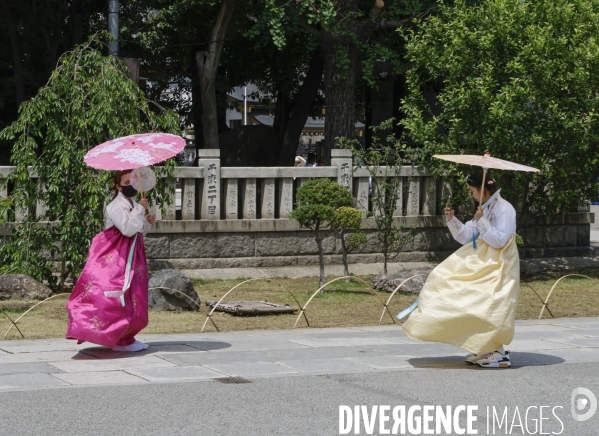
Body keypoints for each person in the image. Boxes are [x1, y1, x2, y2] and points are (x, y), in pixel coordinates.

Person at [402, 169, 519, 368]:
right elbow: (467, 235)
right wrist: (451, 219)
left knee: (488, 302)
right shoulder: (487, 208)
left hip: (498, 263)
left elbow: (500, 240)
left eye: (473, 191)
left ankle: (498, 352)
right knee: (448, 281)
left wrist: (482, 220)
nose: (472, 195)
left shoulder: (504, 208)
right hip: (482, 260)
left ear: (482, 189)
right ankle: (486, 347)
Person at [66, 170, 156, 352]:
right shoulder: (116, 205)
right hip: (117, 258)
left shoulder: (130, 203)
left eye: (133, 181)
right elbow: (126, 230)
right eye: (126, 182)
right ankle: (118, 337)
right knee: (117, 294)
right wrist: (140, 208)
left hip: (131, 256)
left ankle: (127, 336)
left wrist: (146, 222)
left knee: (135, 294)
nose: (131, 185)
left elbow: (137, 232)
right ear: (117, 186)